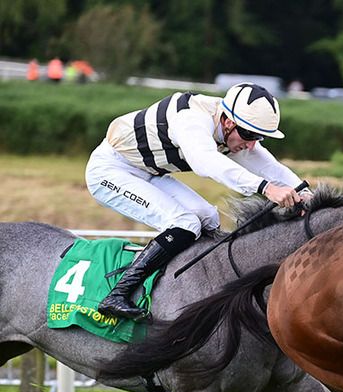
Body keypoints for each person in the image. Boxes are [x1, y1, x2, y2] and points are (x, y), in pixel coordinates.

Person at [85, 82, 310, 320]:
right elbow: (206, 162)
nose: (252, 144)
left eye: (260, 137)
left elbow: (271, 167)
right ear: (228, 122)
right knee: (185, 222)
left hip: (147, 171)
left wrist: (307, 195)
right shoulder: (192, 121)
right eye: (250, 135)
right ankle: (118, 294)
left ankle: (195, 285)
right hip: (110, 171)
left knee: (207, 216)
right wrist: (265, 188)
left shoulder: (233, 127)